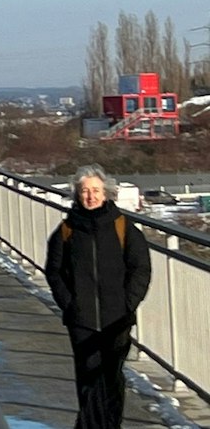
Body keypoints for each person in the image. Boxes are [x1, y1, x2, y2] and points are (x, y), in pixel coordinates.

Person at [44, 165, 151, 429]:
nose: (90, 196)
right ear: (77, 194)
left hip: (117, 319)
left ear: (106, 193)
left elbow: (141, 269)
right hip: (82, 321)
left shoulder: (124, 228)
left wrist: (128, 303)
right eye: (84, 191)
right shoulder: (66, 231)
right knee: (89, 381)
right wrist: (70, 304)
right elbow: (54, 271)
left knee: (112, 379)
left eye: (95, 190)